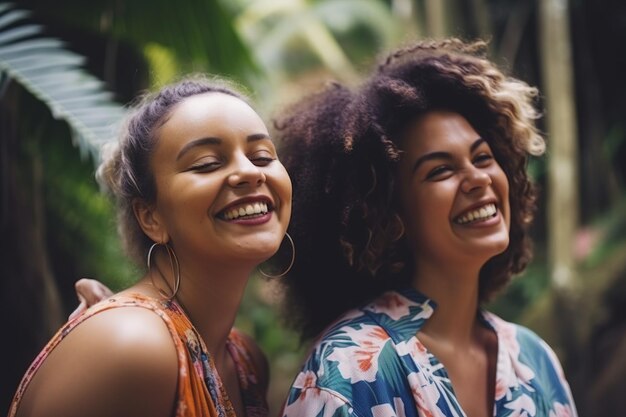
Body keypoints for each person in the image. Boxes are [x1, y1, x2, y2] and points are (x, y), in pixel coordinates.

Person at [275, 38, 578, 417]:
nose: (477, 179)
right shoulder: (349, 370)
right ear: (387, 216)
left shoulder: (534, 359)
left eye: (483, 157)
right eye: (440, 170)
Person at [8, 75, 293, 417]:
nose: (250, 173)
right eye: (207, 164)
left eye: (262, 157)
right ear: (150, 217)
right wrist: (112, 339)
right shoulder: (130, 343)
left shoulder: (246, 361)